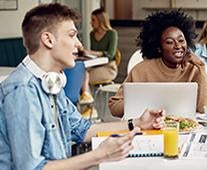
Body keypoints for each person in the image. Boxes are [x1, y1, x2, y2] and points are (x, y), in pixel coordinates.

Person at [0, 3, 164, 169]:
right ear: (48, 40)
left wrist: (137, 123)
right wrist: (100, 155)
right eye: (72, 35)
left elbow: (81, 129)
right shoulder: (22, 91)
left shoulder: (50, 82)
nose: (78, 44)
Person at [109, 10, 207, 117]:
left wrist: (201, 67)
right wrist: (142, 107)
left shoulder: (195, 69)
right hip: (149, 129)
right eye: (169, 42)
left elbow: (206, 108)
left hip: (184, 129)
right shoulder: (141, 70)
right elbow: (114, 106)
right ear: (159, 48)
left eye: (181, 40)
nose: (178, 46)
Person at [79, 8, 119, 104]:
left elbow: (110, 54)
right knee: (80, 73)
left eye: (93, 20)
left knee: (83, 77)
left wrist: (92, 52)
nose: (90, 22)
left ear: (101, 21)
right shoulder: (92, 34)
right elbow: (95, 55)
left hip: (109, 67)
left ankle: (88, 103)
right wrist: (86, 54)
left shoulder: (112, 34)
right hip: (96, 66)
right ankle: (86, 100)